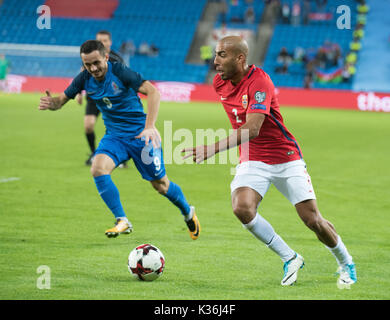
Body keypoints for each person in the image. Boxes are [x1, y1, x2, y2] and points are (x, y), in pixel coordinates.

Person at [182, 36, 356, 287]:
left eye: (222, 55)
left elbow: (252, 128)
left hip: (285, 157)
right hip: (253, 158)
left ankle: (346, 262)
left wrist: (212, 148)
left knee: (313, 220)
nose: (215, 60)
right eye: (216, 54)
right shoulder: (219, 83)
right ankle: (291, 257)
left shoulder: (260, 81)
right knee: (242, 208)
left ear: (240, 58)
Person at [38, 40, 201, 240]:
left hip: (141, 136)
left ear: (106, 57)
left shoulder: (121, 72)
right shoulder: (83, 79)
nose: (93, 68)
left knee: (161, 185)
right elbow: (61, 100)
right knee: (98, 168)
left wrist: (150, 127)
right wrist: (52, 103)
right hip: (115, 137)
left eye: (96, 62)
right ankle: (122, 220)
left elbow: (153, 92)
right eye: (87, 65)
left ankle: (188, 212)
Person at [76, 30, 128, 167]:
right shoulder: (90, 57)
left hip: (112, 100)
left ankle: (119, 157)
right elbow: (82, 75)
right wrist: (78, 93)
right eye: (99, 40)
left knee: (114, 129)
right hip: (94, 98)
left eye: (105, 40)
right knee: (88, 126)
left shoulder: (117, 59)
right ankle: (94, 154)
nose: (102, 43)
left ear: (110, 42)